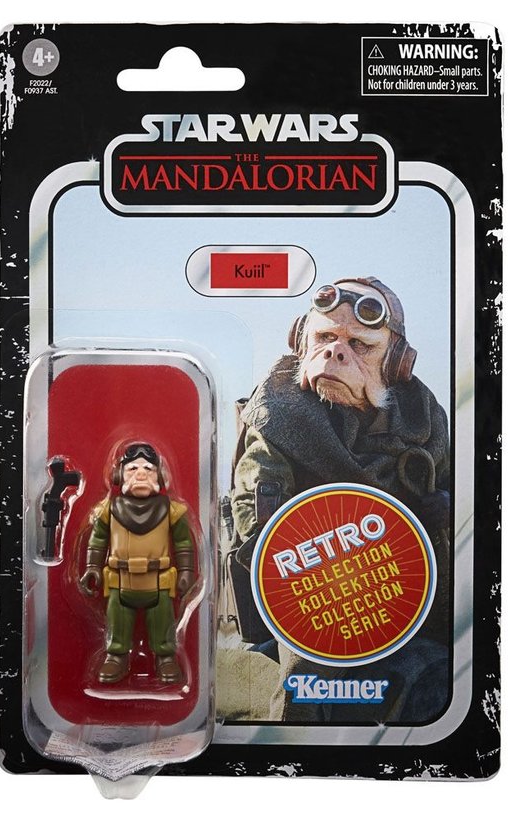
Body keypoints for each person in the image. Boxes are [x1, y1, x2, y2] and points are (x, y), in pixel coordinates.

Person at [228, 277, 451, 721]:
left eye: (359, 344)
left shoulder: (425, 421)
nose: (335, 353)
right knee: (303, 690)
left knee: (439, 678)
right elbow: (255, 512)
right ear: (302, 341)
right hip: (306, 598)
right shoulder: (277, 411)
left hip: (405, 600)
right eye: (325, 338)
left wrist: (444, 511)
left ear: (396, 361)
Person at [79, 443, 196, 684]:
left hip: (158, 582)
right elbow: (97, 541)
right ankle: (116, 656)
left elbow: (183, 543)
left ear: (160, 476)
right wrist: (92, 567)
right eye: (132, 469)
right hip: (120, 581)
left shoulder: (173, 511)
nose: (141, 474)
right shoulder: (108, 510)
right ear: (118, 475)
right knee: (118, 623)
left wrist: (186, 571)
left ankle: (165, 658)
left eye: (148, 469)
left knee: (162, 622)